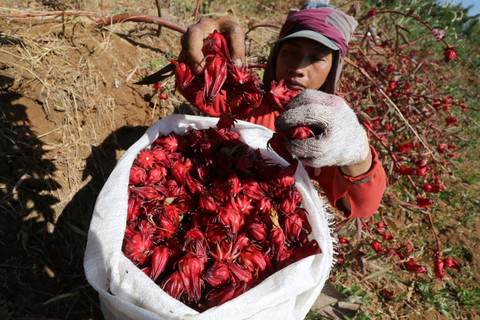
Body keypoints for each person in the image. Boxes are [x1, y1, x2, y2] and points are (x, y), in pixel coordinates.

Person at [172, 1, 386, 219]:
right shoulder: (251, 98)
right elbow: (195, 88)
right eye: (291, 53)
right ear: (275, 56)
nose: (299, 68)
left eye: (316, 58)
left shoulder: (329, 129)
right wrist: (212, 42)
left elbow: (363, 206)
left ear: (334, 68)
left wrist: (357, 154)